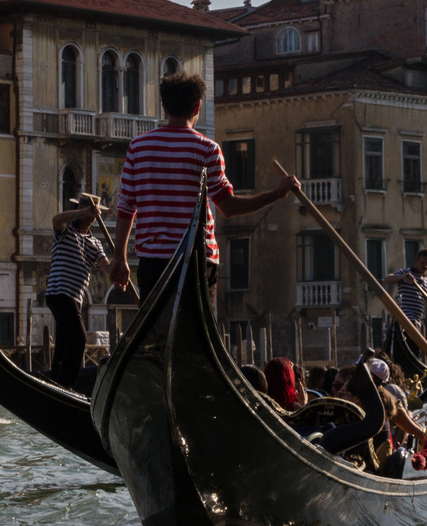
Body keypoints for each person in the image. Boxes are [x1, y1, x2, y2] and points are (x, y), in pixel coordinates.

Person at [109, 72, 298, 299]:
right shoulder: (207, 149)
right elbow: (228, 207)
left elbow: (127, 206)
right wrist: (277, 193)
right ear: (198, 107)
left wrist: (119, 257)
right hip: (197, 260)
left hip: (154, 261)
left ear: (165, 108)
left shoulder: (137, 148)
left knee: (158, 332)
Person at [44, 200, 111, 390]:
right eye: (86, 211)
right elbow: (56, 219)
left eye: (92, 212)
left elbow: (105, 266)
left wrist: (119, 268)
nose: (90, 216)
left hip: (74, 299)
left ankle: (54, 382)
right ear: (78, 210)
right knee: (79, 339)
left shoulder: (95, 243)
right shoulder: (65, 231)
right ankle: (67, 385)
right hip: (59, 293)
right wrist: (83, 211)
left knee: (64, 343)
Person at [382, 249, 427, 374]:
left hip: (416, 321)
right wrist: (403, 277)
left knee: (414, 351)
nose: (425, 266)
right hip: (404, 317)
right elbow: (387, 279)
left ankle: (412, 373)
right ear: (416, 261)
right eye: (422, 263)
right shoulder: (406, 272)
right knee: (404, 348)